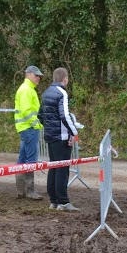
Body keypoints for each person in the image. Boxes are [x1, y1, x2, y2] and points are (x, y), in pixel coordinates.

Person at [40, 67, 81, 211]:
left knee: (53, 167)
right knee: (62, 169)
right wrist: (74, 132)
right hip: (61, 137)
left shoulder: (46, 93)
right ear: (65, 79)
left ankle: (54, 201)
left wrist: (49, 128)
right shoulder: (62, 93)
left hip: (50, 135)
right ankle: (63, 202)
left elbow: (40, 115)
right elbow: (65, 115)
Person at [14, 65, 45, 200]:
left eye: (39, 76)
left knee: (23, 159)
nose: (38, 78)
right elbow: (27, 111)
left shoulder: (26, 88)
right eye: (36, 75)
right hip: (29, 128)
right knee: (31, 159)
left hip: (25, 128)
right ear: (29, 74)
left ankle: (21, 191)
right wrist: (36, 124)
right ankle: (30, 191)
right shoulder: (27, 89)